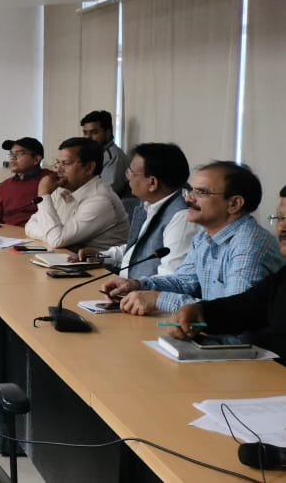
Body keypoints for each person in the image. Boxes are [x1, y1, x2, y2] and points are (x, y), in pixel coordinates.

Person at [102, 161, 283, 316]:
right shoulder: (204, 236)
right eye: (191, 191)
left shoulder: (249, 245)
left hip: (242, 345)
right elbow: (184, 281)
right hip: (210, 338)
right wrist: (137, 285)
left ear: (234, 204)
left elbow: (233, 313)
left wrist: (158, 299)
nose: (189, 198)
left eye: (201, 192)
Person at [171, 185, 286, 363]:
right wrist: (200, 311)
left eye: (202, 192)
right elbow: (246, 307)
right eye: (281, 218)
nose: (282, 228)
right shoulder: (282, 278)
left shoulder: (250, 242)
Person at [74, 143, 198, 278]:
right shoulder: (150, 205)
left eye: (131, 173)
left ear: (152, 183)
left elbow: (170, 277)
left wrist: (132, 285)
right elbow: (138, 250)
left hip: (142, 291)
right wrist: (103, 256)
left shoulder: (181, 217)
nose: (128, 178)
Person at [24, 137, 129, 250]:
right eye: (58, 163)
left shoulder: (101, 199)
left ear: (89, 168)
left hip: (99, 261)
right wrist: (53, 237)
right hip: (66, 256)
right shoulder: (61, 189)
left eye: (65, 163)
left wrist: (44, 195)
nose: (58, 170)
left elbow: (57, 240)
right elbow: (30, 225)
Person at [0, 137, 53, 226]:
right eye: (11, 154)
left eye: (19, 154)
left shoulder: (50, 180)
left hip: (36, 232)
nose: (13, 158)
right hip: (6, 233)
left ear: (36, 159)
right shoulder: (5, 185)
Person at [80, 110, 128, 198]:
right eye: (85, 133)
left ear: (107, 133)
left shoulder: (114, 157)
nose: (88, 138)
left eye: (94, 132)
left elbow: (105, 193)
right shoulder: (92, 154)